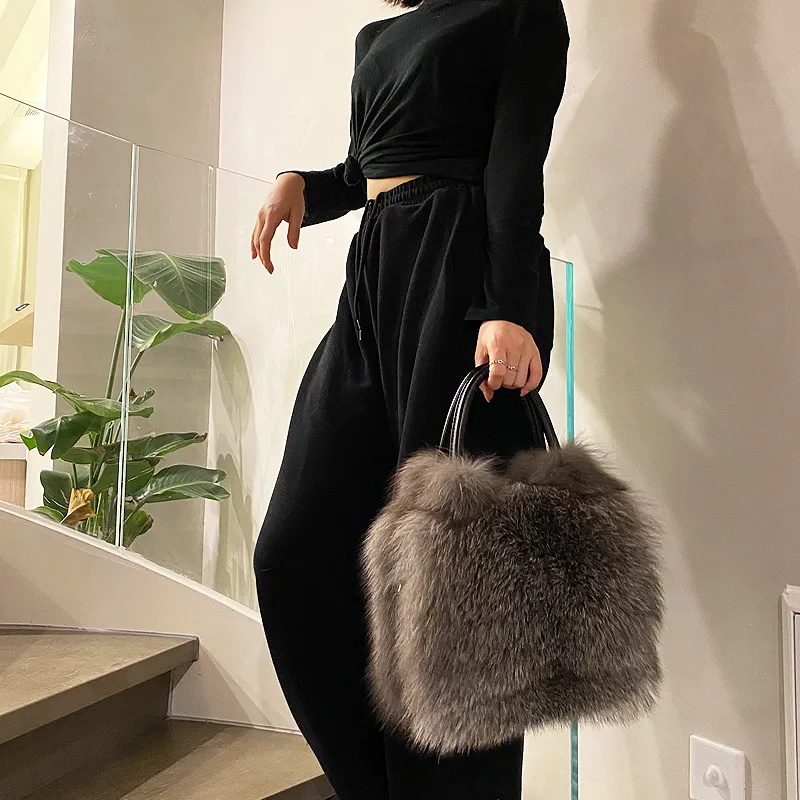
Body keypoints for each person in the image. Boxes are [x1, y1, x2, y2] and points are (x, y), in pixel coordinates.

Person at [251, 0, 569, 797]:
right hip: (374, 283)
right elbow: (363, 173)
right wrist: (302, 186)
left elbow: (516, 160)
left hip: (460, 281)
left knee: (452, 585)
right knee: (294, 554)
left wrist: (511, 307)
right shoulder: (376, 38)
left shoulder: (519, 9)